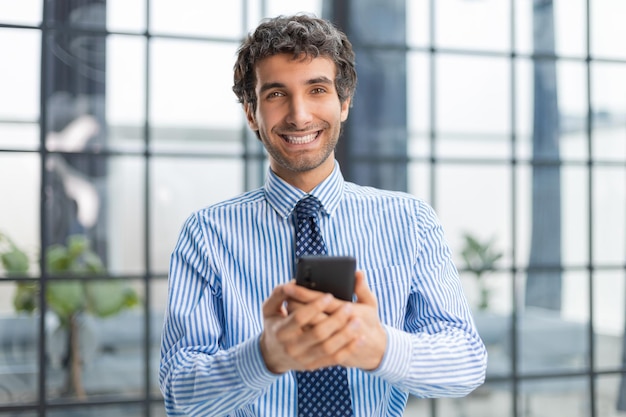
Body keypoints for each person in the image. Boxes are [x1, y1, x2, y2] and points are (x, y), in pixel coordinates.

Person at [159, 13, 487, 417]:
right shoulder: (206, 234)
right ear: (251, 113)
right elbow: (179, 396)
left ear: (344, 102)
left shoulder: (409, 221)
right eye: (276, 94)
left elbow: (467, 362)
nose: (299, 115)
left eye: (317, 89)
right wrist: (265, 356)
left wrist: (380, 346)